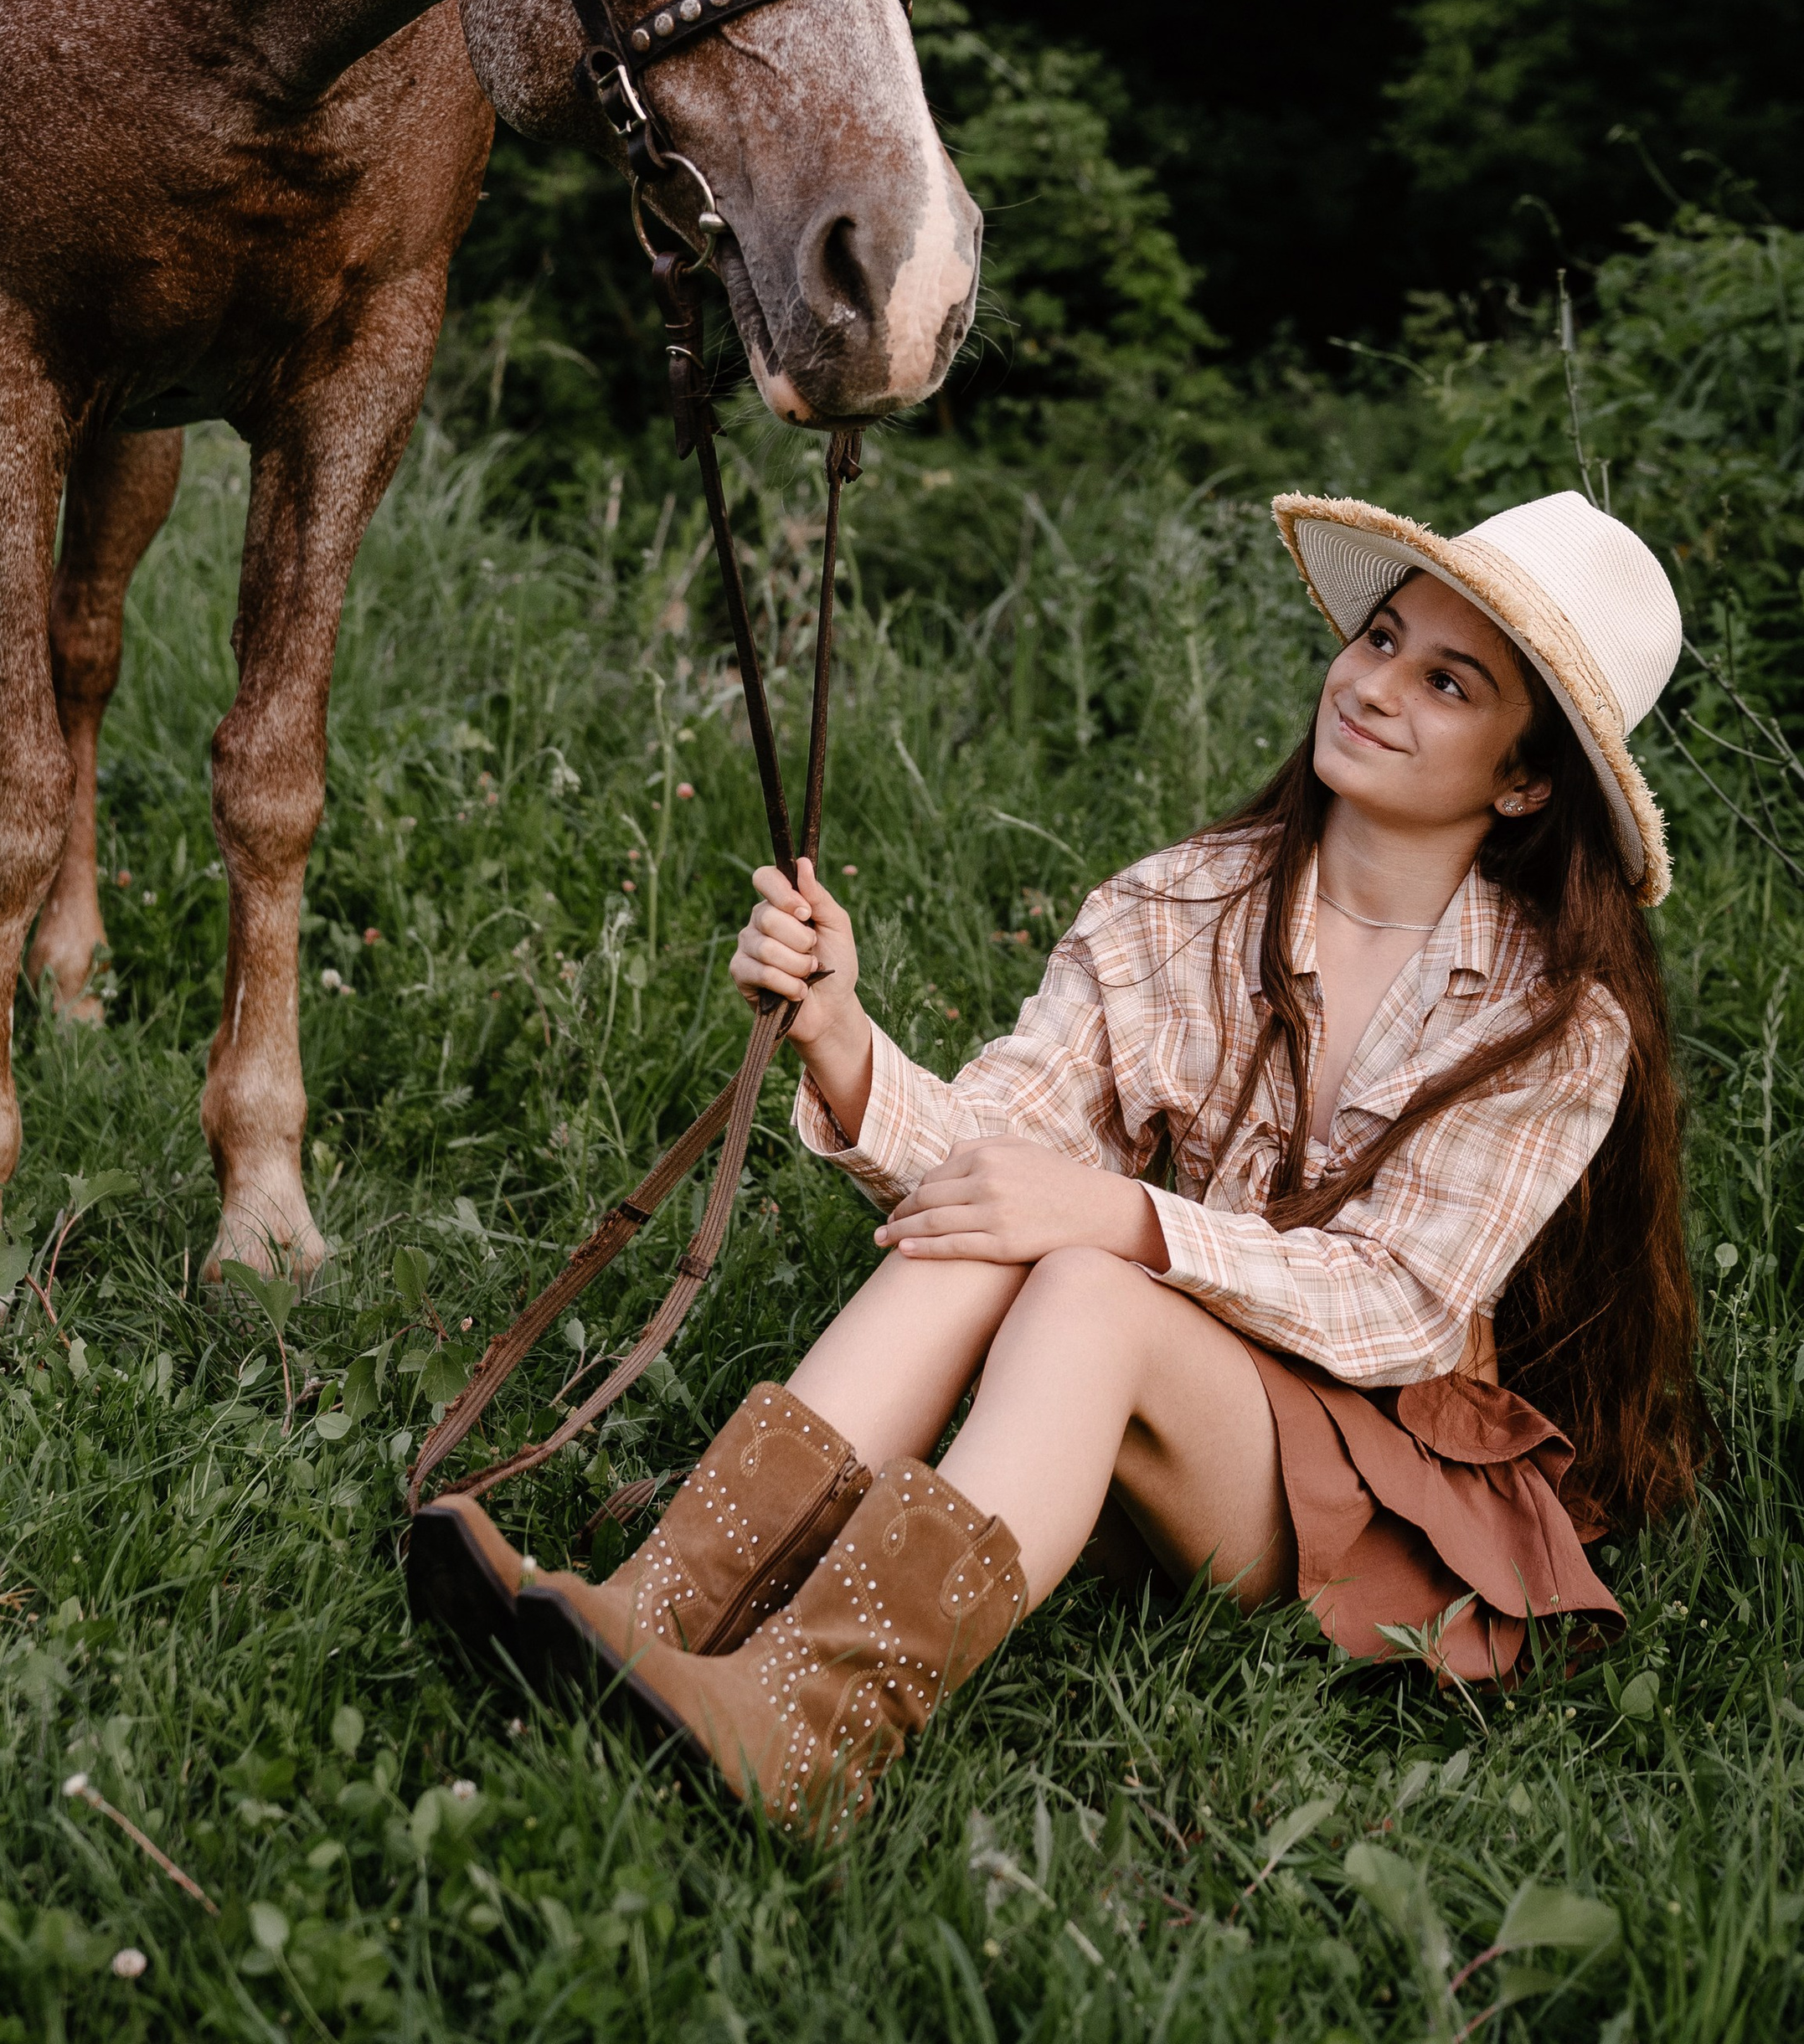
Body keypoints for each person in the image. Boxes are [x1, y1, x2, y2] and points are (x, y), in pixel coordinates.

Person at [411, 488, 1708, 1835]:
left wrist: (1120, 1218)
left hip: (1372, 1490)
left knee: (1087, 1276)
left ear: (1524, 778)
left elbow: (1403, 1304)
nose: (1376, 684)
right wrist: (840, 1035)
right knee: (1000, 1233)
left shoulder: (1555, 1019)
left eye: (1447, 681)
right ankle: (654, 1608)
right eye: (1380, 638)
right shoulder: (1184, 904)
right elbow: (1001, 1156)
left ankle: (811, 1723)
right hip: (1175, 1412)